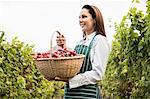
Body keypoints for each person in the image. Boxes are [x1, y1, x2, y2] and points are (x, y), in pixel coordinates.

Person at [55, 4, 110, 99]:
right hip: (71, 94)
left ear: (94, 20)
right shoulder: (80, 42)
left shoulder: (99, 40)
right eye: (79, 17)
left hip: (87, 95)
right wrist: (63, 47)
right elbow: (74, 65)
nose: (80, 20)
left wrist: (71, 80)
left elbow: (97, 74)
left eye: (84, 17)